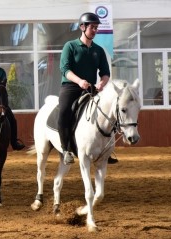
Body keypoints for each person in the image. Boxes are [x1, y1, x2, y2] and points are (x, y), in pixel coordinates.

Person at [58, 12, 110, 165]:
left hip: (91, 89)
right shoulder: (70, 46)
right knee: (64, 112)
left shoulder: (99, 50)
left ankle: (107, 149)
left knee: (107, 113)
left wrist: (102, 84)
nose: (95, 30)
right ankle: (66, 149)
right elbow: (65, 69)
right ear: (82, 27)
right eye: (92, 27)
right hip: (71, 87)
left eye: (96, 27)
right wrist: (79, 81)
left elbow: (105, 73)